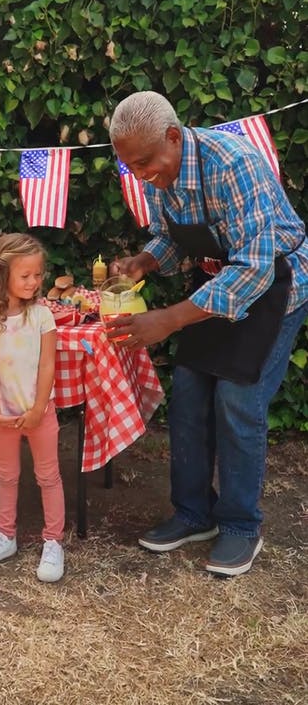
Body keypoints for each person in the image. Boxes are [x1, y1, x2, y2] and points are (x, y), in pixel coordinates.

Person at [107, 91, 308, 577]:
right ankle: (193, 513)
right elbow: (174, 239)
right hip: (216, 283)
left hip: (275, 285)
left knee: (238, 400)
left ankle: (240, 524)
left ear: (174, 137)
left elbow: (254, 269)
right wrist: (146, 260)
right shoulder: (158, 170)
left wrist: (169, 318)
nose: (142, 175)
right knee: (192, 396)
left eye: (146, 163)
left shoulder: (236, 163)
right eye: (131, 167)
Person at [0, 233, 65, 583]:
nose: (34, 282)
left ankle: (53, 542)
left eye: (38, 274)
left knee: (48, 476)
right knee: (6, 476)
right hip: (3, 417)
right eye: (25, 275)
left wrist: (39, 408)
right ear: (2, 275)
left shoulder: (42, 317)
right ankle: (4, 535)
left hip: (40, 414)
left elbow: (47, 366)